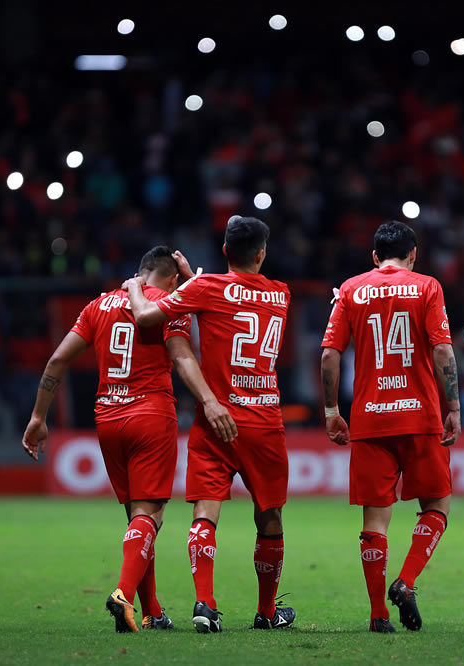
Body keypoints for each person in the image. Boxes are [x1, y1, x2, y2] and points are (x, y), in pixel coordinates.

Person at [22, 246, 234, 633]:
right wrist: (208, 399)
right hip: (151, 415)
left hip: (107, 417)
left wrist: (39, 416)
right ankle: (122, 592)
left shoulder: (96, 306)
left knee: (139, 519)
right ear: (172, 278)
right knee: (150, 515)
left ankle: (152, 610)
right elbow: (183, 355)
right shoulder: (171, 303)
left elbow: (56, 362)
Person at [123, 216, 296, 633]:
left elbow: (147, 315)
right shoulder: (281, 294)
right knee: (269, 515)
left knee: (205, 513)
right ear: (261, 254)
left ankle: (205, 602)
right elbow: (234, 295)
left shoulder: (205, 288)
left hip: (216, 417)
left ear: (223, 252)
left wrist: (134, 285)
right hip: (265, 420)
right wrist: (194, 281)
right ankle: (267, 611)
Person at [320, 221, 461, 633]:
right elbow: (441, 349)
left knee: (374, 523)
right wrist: (453, 405)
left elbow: (329, 355)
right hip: (419, 416)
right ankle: (407, 580)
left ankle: (378, 616)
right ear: (413, 255)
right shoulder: (428, 286)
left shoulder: (349, 289)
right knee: (436, 504)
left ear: (375, 257)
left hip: (369, 418)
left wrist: (331, 410)